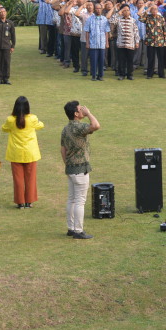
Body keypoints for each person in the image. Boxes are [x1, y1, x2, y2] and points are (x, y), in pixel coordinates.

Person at [61, 100, 101, 240]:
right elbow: (96, 125)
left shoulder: (66, 129)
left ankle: (71, 228)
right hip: (80, 169)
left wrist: (67, 163)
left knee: (71, 199)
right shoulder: (79, 128)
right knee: (79, 201)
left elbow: (63, 149)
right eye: (80, 109)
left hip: (71, 168)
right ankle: (78, 230)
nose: (83, 109)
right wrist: (89, 113)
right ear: (76, 114)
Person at [2, 96, 44, 208]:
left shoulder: (10, 120)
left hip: (16, 153)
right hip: (30, 152)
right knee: (31, 178)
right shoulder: (32, 118)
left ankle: (20, 202)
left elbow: (4, 128)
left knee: (18, 179)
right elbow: (41, 125)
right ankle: (29, 201)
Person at [141, 3, 166, 79]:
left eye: (155, 9)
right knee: (150, 58)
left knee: (161, 58)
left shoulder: (161, 18)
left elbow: (164, 29)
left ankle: (161, 74)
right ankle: (149, 74)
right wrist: (147, 9)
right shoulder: (147, 17)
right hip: (150, 41)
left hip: (160, 41)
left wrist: (165, 40)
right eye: (152, 9)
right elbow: (140, 18)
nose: (154, 10)